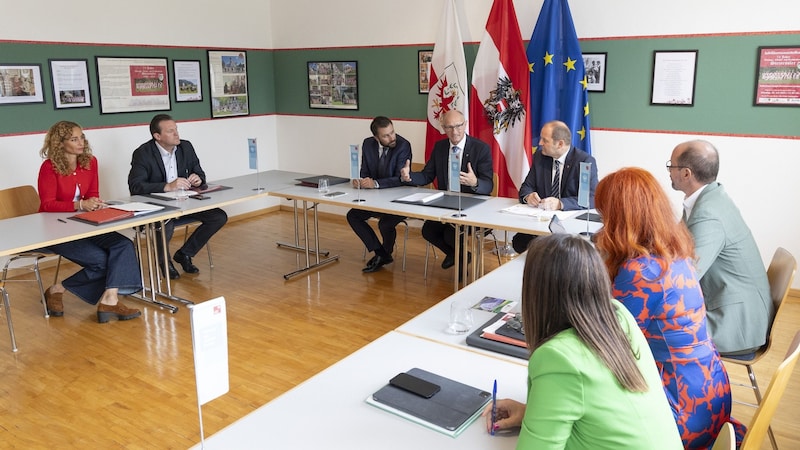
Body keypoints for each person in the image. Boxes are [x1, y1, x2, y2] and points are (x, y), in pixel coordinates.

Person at [483, 234, 682, 449]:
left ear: (536, 295)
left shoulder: (558, 357)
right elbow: (601, 412)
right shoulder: (619, 316)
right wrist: (530, 413)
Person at [595, 167, 745, 448]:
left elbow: (611, 346)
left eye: (605, 217)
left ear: (619, 218)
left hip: (679, 407)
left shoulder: (641, 271)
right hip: (710, 393)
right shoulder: (675, 254)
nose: (602, 226)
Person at [668, 140, 772, 356]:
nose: (669, 171)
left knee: (652, 330)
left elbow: (684, 278)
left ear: (686, 174)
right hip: (731, 305)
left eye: (672, 166)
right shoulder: (711, 197)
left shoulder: (708, 214)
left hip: (735, 324)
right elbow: (676, 246)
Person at [37, 121, 142, 323]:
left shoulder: (90, 162)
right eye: (74, 139)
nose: (81, 142)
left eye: (82, 137)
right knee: (102, 261)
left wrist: (95, 204)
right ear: (60, 143)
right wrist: (80, 205)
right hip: (55, 228)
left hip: (85, 222)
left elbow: (93, 194)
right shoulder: (49, 167)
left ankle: (110, 299)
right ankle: (57, 290)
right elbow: (48, 204)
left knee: (123, 244)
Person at [128, 114, 228, 279]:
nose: (176, 134)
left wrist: (198, 178)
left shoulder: (185, 147)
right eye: (170, 131)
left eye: (176, 129)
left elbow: (200, 173)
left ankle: (185, 253)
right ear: (157, 136)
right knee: (165, 224)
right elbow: (136, 186)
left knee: (218, 216)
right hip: (159, 206)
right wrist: (167, 186)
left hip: (185, 202)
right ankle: (164, 263)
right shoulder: (143, 153)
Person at [399, 110, 493, 269]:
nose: (454, 132)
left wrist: (475, 182)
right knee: (428, 230)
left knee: (451, 234)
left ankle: (460, 268)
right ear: (443, 127)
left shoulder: (480, 148)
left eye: (458, 126)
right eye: (449, 127)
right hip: (447, 204)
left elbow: (488, 185)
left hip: (474, 206)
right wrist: (410, 177)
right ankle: (460, 255)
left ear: (465, 124)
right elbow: (427, 175)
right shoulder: (440, 147)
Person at [511, 120, 597, 254]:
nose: (539, 144)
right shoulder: (540, 157)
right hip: (541, 223)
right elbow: (526, 187)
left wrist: (561, 204)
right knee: (519, 242)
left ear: (560, 144)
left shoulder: (584, 161)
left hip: (569, 228)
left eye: (545, 140)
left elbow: (592, 198)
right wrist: (529, 196)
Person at [346, 116, 412, 273]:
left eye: (392, 132)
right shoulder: (368, 144)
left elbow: (400, 178)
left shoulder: (403, 145)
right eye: (386, 135)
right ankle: (381, 253)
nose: (391, 138)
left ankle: (384, 253)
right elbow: (364, 171)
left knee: (385, 223)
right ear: (376, 137)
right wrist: (360, 180)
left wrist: (375, 183)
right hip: (375, 198)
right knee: (353, 216)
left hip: (399, 198)